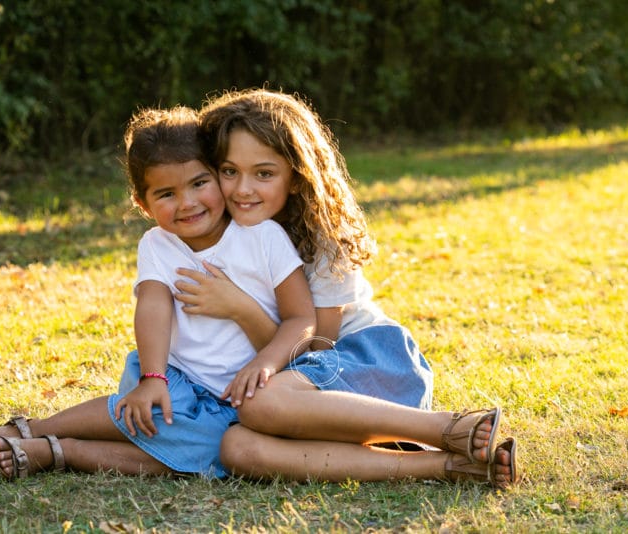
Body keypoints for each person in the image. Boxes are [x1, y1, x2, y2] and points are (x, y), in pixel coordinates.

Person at [174, 88, 519, 488]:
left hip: (366, 359)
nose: (242, 189)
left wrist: (242, 309)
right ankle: (451, 468)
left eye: (264, 173)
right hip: (297, 394)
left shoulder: (320, 239)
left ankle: (446, 427)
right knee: (237, 450)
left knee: (259, 403)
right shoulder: (217, 236)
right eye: (229, 171)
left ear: (297, 176)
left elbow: (317, 347)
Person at [0, 105, 316, 480]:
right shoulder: (158, 244)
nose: (187, 203)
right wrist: (153, 377)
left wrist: (265, 364)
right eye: (166, 194)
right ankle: (30, 429)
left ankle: (58, 452)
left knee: (213, 448)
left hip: (238, 396)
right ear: (142, 204)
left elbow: (301, 319)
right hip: (173, 376)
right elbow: (153, 306)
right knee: (151, 411)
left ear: (217, 175)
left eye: (199, 183)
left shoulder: (261, 237)